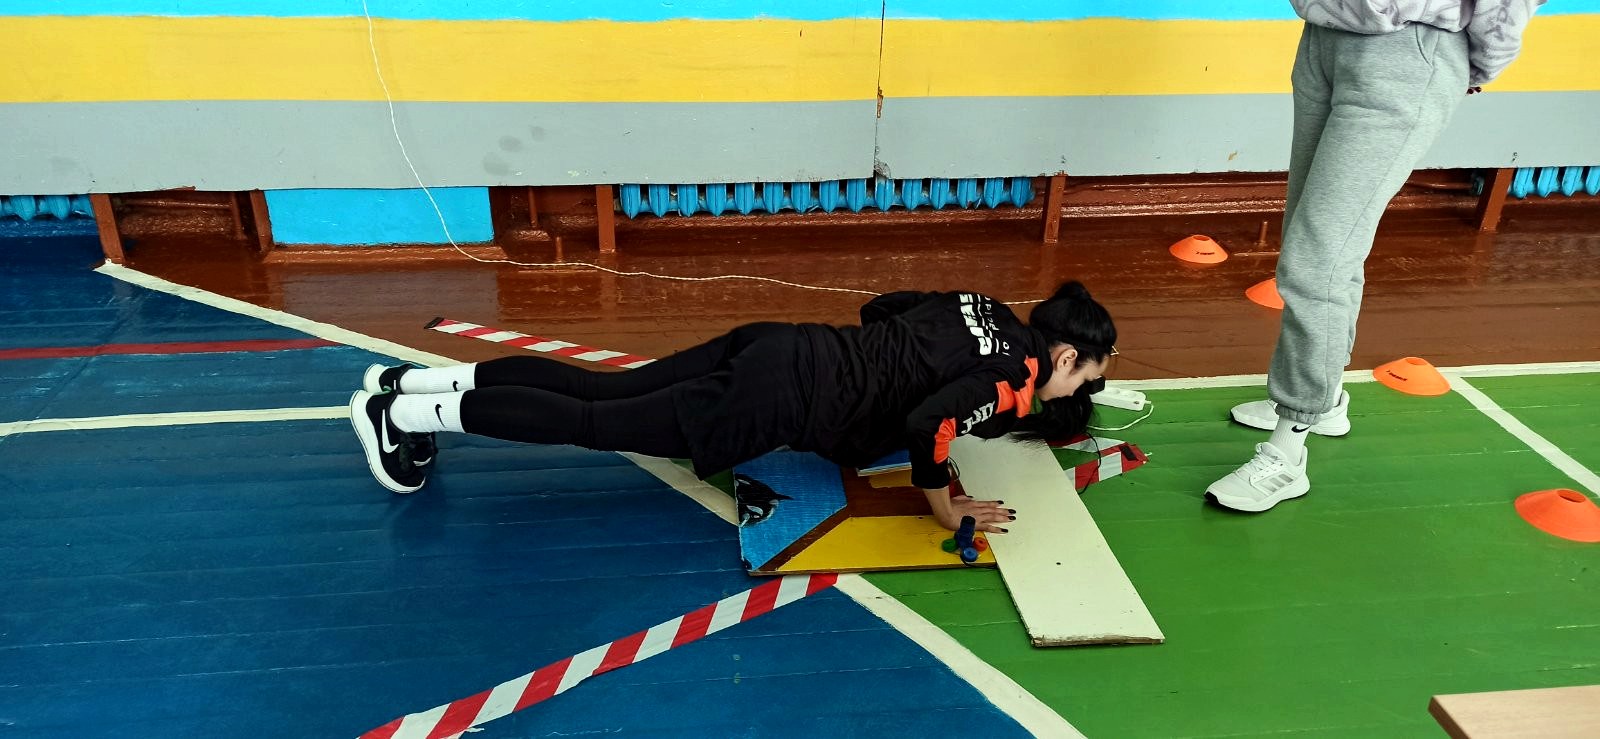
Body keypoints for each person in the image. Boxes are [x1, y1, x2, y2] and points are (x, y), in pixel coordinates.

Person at [349, 282, 1117, 533]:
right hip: (773, 396)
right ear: (1064, 359)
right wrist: (946, 505)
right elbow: (931, 427)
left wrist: (880, 373)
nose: (1077, 392)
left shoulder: (985, 306)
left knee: (601, 387)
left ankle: (416, 384)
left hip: (779, 343)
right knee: (594, 421)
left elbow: (883, 308)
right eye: (1085, 381)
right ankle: (402, 419)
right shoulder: (1013, 377)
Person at [1207, 0, 1545, 512]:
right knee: (1320, 245)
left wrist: (1471, 62)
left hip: (1409, 49)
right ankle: (1324, 402)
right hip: (1323, 37)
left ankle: (1290, 445)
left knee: (1316, 262)